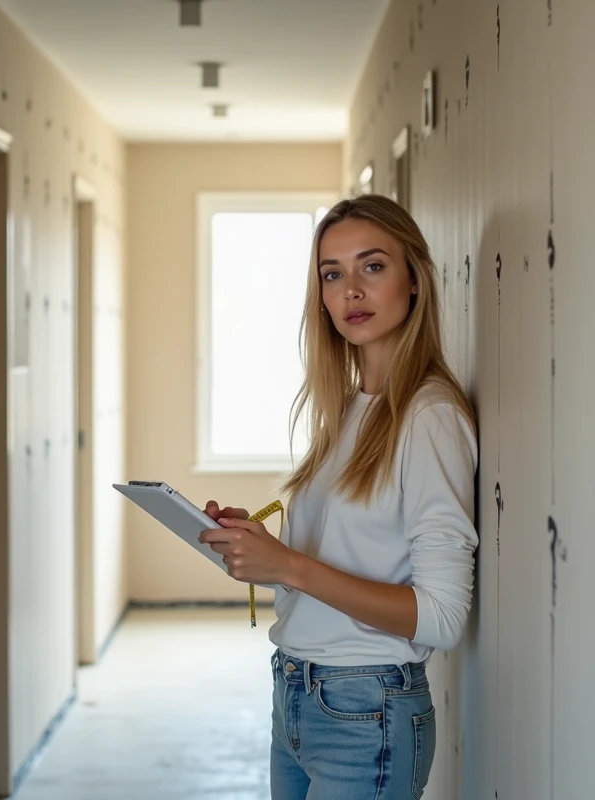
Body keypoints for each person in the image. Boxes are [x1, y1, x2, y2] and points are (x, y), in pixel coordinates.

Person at [200, 194, 480, 799]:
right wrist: (262, 551)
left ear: (414, 282)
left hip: (367, 711)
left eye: (372, 266)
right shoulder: (350, 412)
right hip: (297, 698)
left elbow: (442, 616)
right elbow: (331, 567)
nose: (351, 289)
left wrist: (290, 566)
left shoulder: (429, 416)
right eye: (333, 273)